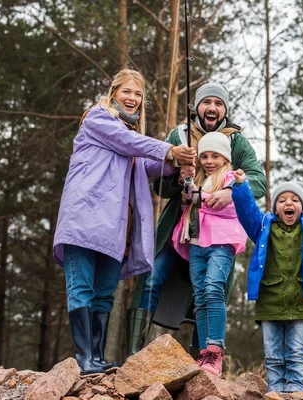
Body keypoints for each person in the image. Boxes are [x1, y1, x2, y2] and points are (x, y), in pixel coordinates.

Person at [53, 69, 196, 375]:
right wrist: (170, 150)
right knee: (81, 288)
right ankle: (84, 359)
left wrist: (176, 165)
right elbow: (128, 142)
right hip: (82, 220)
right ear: (113, 92)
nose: (132, 99)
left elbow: (144, 162)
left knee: (105, 292)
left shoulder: (128, 137)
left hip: (114, 228)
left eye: (138, 95)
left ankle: (97, 357)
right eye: (127, 92)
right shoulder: (96, 119)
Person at [127, 83, 267, 356]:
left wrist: (231, 192)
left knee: (209, 290)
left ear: (225, 109)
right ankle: (134, 355)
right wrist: (177, 178)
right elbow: (161, 186)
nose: (212, 108)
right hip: (177, 230)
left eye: (218, 103)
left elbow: (258, 180)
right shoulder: (179, 136)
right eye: (206, 102)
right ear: (197, 107)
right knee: (151, 278)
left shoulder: (237, 142)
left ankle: (203, 360)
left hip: (216, 235)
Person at [231, 167, 303, 393]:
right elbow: (248, 212)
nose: (288, 203)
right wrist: (241, 186)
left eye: (294, 200)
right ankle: (276, 391)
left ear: (302, 207)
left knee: (297, 351)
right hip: (270, 298)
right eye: (282, 200)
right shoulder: (263, 227)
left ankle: (295, 391)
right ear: (275, 209)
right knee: (272, 353)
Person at [171, 132, 248, 376]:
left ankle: (216, 351)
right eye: (204, 156)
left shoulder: (229, 178)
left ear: (225, 157)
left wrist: (198, 196)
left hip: (221, 242)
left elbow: (224, 205)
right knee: (201, 295)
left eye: (215, 155)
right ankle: (204, 354)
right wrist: (188, 191)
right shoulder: (199, 178)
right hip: (197, 243)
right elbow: (190, 206)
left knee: (214, 289)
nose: (209, 160)